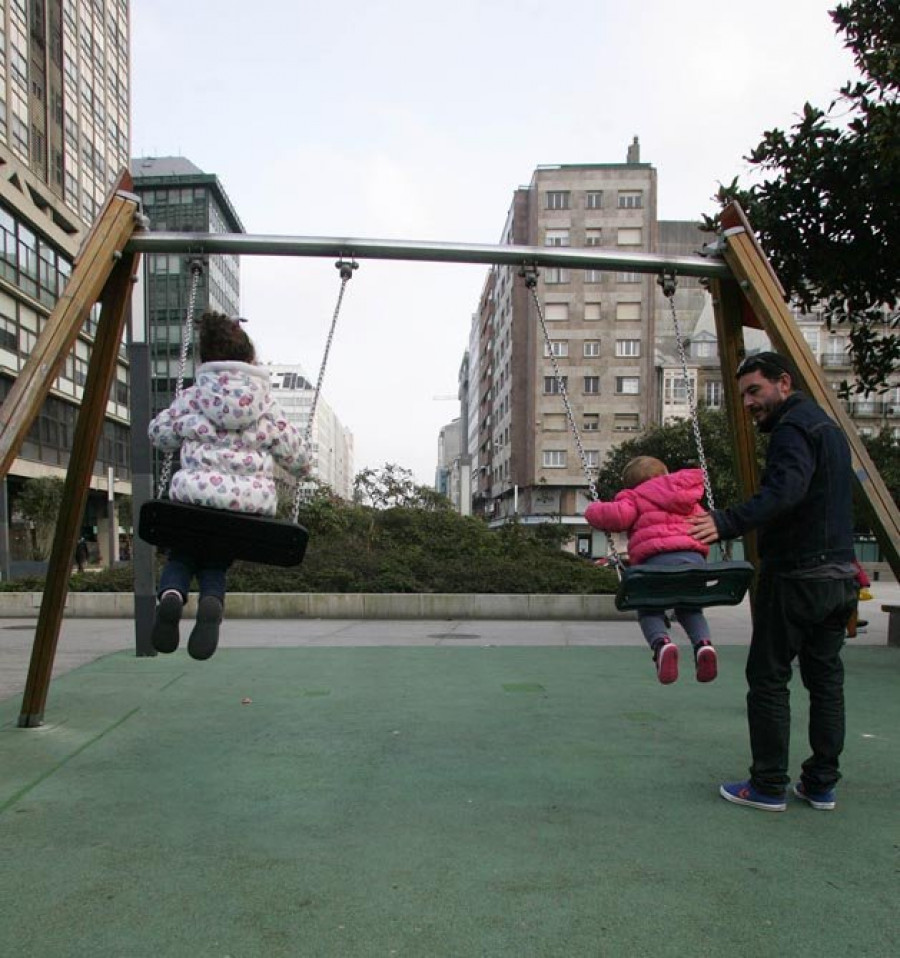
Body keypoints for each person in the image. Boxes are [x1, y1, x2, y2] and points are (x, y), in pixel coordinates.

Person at [690, 352, 857, 813]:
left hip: (798, 575)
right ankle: (821, 783)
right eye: (743, 395)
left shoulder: (791, 430)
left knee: (767, 677)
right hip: (839, 576)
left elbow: (785, 491)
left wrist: (726, 522)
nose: (748, 404)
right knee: (826, 681)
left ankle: (767, 785)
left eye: (755, 391)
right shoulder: (827, 427)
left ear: (784, 383)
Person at [148, 311, 308, 660]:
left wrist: (186, 422)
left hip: (192, 500)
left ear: (206, 358)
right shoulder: (265, 404)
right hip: (244, 510)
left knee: (182, 554)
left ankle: (172, 596)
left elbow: (158, 434)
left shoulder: (193, 397)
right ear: (250, 359)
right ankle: (211, 602)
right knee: (216, 563)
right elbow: (298, 458)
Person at [585, 456, 718, 685]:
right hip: (694, 563)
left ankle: (661, 644)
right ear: (666, 474)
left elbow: (618, 516)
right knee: (690, 608)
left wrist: (593, 510)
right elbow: (704, 522)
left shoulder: (635, 496)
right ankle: (704, 645)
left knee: (649, 608)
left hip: (656, 563)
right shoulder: (688, 497)